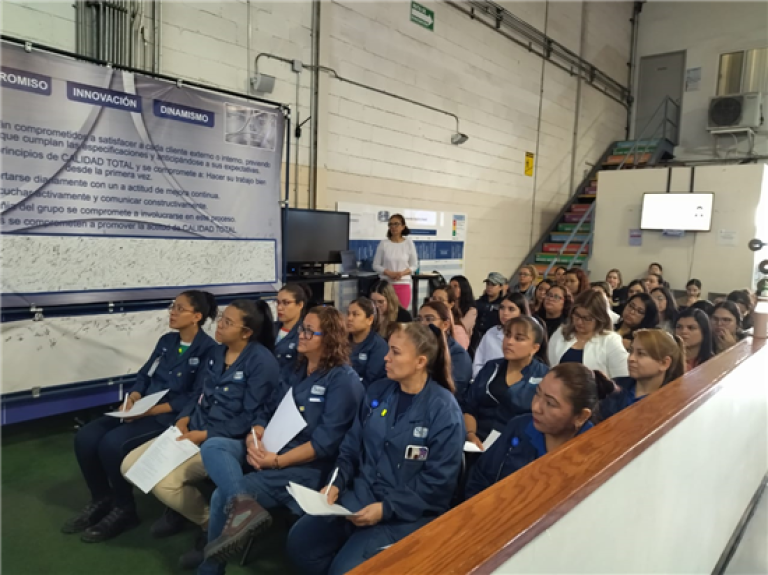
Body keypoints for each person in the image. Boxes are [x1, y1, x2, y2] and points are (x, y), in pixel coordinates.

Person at [285, 322, 465, 575]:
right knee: (300, 543)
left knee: (345, 570)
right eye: (388, 349)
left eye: (395, 352)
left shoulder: (443, 410)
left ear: (420, 361)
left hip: (407, 514)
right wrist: (336, 483)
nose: (386, 357)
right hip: (360, 498)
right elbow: (350, 449)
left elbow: (438, 484)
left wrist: (386, 509)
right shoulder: (378, 392)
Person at [195, 307, 365, 572]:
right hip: (269, 448)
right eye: (302, 328)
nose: (301, 334)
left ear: (330, 338)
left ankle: (210, 568)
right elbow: (266, 410)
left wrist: (276, 461)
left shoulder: (343, 380)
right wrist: (254, 437)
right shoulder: (295, 369)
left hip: (305, 466)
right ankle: (243, 504)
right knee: (214, 445)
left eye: (309, 331)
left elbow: (325, 444)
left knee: (219, 497)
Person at [120, 300, 280, 565]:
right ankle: (188, 514)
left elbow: (251, 417)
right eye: (222, 318)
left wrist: (204, 435)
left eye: (228, 322)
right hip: (193, 428)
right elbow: (199, 394)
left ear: (246, 332)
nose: (220, 325)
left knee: (166, 484)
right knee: (129, 465)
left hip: (225, 440)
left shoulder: (261, 362)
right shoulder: (217, 352)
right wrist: (183, 418)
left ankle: (210, 526)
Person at [62, 291, 219, 543]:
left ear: (197, 317)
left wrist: (150, 411)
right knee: (86, 437)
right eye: (172, 306)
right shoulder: (166, 341)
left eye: (180, 309)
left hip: (166, 416)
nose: (172, 312)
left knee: (111, 444)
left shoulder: (209, 350)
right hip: (140, 408)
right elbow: (145, 375)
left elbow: (194, 397)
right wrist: (134, 397)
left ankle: (124, 509)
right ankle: (101, 498)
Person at [464, 363, 615, 500]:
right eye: (537, 393)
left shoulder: (594, 456)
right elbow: (480, 478)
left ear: (581, 416)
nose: (536, 407)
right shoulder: (519, 426)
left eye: (550, 403)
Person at [462, 317, 549, 447]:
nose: (509, 342)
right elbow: (469, 407)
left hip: (520, 446)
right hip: (478, 441)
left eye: (519, 338)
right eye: (507, 335)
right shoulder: (491, 367)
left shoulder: (544, 376)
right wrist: (471, 435)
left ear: (535, 348)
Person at [599, 329, 685, 421]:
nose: (631, 358)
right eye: (630, 351)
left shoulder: (672, 403)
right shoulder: (614, 386)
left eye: (641, 354)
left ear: (664, 363)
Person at [548, 291, 629, 378]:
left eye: (587, 318)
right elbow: (548, 365)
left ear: (600, 318)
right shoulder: (561, 332)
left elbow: (622, 378)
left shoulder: (611, 340)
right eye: (577, 315)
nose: (579, 322)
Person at [417, 301, 472, 400]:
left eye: (429, 319)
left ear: (445, 325)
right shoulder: (417, 348)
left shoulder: (458, 355)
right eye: (419, 319)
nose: (422, 324)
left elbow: (452, 390)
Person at [472, 292, 530, 377]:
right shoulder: (491, 332)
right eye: (502, 308)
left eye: (511, 309)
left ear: (521, 313)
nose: (505, 313)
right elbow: (478, 362)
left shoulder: (528, 336)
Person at [372, 214, 419, 309]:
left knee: (401, 313)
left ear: (403, 226)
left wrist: (402, 273)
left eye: (396, 224)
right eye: (390, 224)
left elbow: (414, 265)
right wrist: (389, 273)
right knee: (386, 313)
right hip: (386, 285)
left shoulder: (409, 243)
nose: (393, 227)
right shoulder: (384, 243)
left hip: (403, 284)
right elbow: (376, 265)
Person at [346, 298, 389, 388]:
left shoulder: (378, 346)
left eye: (355, 314)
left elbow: (371, 380)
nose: (349, 318)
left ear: (370, 319)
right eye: (348, 314)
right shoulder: (342, 341)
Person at [469, 272, 508, 356]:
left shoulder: (503, 305)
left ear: (500, 287)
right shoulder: (478, 302)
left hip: (494, 339)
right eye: (488, 284)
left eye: (493, 285)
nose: (489, 287)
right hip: (475, 339)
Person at [274, 284, 310, 372]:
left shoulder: (305, 334)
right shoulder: (269, 329)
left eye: (286, 303)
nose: (279, 308)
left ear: (300, 305)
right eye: (278, 303)